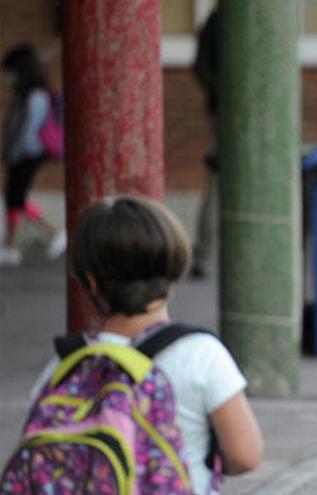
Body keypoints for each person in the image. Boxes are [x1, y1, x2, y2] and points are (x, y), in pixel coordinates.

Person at [29, 196, 263, 494]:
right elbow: (246, 455)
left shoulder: (65, 364)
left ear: (91, 282)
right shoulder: (201, 353)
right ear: (175, 267)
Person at [1, 43, 65, 266]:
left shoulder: (35, 97)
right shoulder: (24, 95)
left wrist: (12, 153)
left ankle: (50, 232)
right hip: (22, 154)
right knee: (15, 198)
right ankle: (11, 245)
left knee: (15, 197)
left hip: (28, 154)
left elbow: (27, 132)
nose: (7, 77)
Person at [191, 8, 220, 279]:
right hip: (229, 117)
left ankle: (203, 255)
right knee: (217, 183)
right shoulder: (219, 19)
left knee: (216, 184)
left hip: (223, 113)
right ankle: (203, 255)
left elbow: (199, 67)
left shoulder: (215, 18)